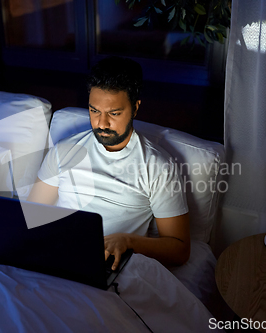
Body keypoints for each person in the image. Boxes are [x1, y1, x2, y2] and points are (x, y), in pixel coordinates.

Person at [27, 56, 190, 270]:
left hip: (110, 266)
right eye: (94, 111)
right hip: (57, 254)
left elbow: (179, 250)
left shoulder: (158, 167)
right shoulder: (64, 151)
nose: (101, 123)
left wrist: (128, 241)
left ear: (135, 108)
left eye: (114, 113)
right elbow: (32, 216)